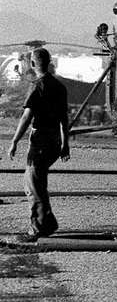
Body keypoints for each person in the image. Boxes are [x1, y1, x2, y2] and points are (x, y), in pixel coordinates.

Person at [7, 48, 70, 240]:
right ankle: (48, 222)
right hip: (54, 140)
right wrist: (65, 144)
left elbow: (27, 116)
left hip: (40, 140)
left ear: (33, 65)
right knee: (39, 182)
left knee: (32, 184)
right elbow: (64, 119)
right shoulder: (60, 87)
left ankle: (38, 227)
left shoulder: (37, 86)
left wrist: (14, 140)